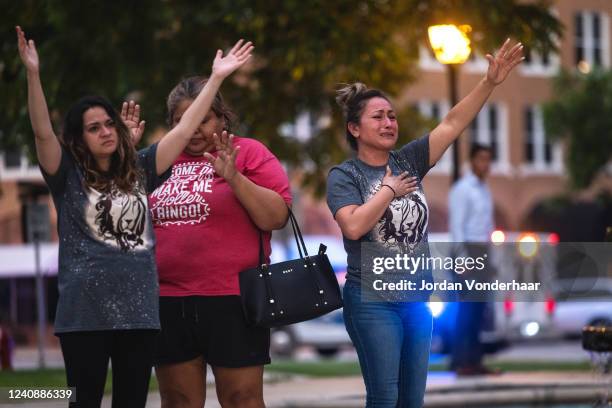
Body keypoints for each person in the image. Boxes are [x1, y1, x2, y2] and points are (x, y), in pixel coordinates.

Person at [16, 25, 253, 407]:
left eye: (109, 123)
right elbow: (42, 132)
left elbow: (187, 126)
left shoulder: (141, 168)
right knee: (83, 399)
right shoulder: (66, 177)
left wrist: (216, 78)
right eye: (94, 128)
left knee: (132, 402)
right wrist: (33, 74)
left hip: (140, 314)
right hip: (84, 315)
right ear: (78, 139)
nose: (106, 132)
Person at [326, 39, 523, 407]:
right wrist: (388, 190)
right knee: (385, 396)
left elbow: (451, 124)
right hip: (373, 302)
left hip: (416, 299)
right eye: (378, 117)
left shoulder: (409, 160)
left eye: (392, 116)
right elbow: (352, 227)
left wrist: (489, 82)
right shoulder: (345, 175)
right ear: (354, 128)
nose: (389, 122)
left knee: (412, 400)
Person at [145, 76, 292, 408]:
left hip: (233, 299)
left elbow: (276, 217)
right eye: (183, 121)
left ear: (222, 118)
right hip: (168, 301)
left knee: (242, 399)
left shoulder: (249, 152)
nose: (194, 129)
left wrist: (234, 178)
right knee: (179, 401)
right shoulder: (158, 162)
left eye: (202, 119)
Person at [448, 143, 498, 375]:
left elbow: (487, 227)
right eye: (481, 159)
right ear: (471, 161)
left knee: (479, 310)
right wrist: (462, 259)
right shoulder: (462, 189)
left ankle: (474, 361)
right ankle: (461, 362)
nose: (485, 164)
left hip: (482, 251)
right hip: (466, 251)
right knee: (467, 309)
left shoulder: (484, 189)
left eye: (488, 159)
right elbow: (457, 225)